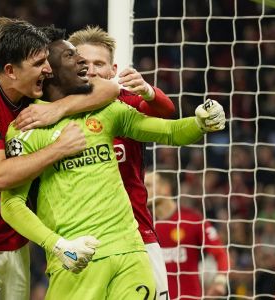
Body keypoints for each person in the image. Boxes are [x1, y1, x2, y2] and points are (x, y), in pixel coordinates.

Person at [0, 26, 226, 300]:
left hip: (130, 252)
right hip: (76, 259)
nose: (83, 62)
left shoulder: (108, 110)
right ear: (49, 70)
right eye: (72, 56)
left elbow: (169, 130)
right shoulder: (27, 126)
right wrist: (58, 245)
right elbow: (11, 204)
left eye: (94, 61)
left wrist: (200, 123)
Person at [0, 18, 117, 300]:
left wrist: (58, 109)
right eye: (38, 64)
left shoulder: (34, 90)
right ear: (9, 71)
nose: (47, 69)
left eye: (46, 60)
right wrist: (59, 148)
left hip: (17, 244)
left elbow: (110, 89)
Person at [67, 25, 174, 299]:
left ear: (113, 70)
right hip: (79, 239)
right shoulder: (50, 109)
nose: (90, 69)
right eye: (82, 62)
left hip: (136, 234)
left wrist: (149, 91)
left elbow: (166, 114)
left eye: (98, 63)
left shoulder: (126, 104)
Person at [145, 171, 229, 299]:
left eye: (149, 185)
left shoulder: (192, 219)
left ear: (165, 188)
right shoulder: (143, 224)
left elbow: (220, 253)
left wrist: (220, 281)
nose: (143, 190)